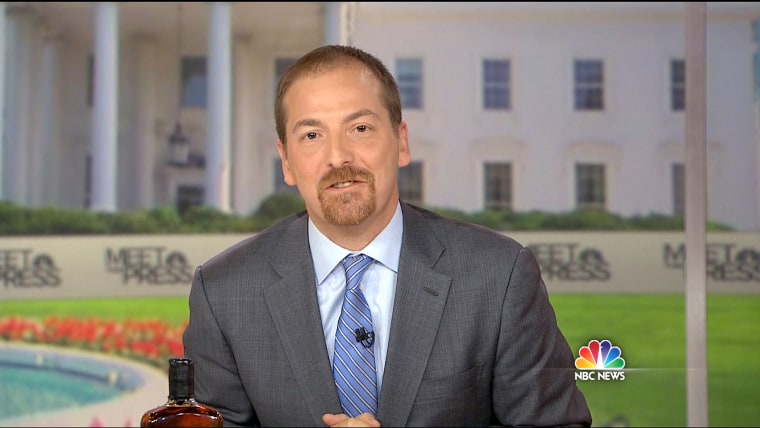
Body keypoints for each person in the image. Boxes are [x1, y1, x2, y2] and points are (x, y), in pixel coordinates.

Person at [182, 44, 592, 427]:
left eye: (360, 128)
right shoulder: (224, 294)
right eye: (312, 135)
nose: (338, 156)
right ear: (287, 162)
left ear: (401, 142)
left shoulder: (498, 277)